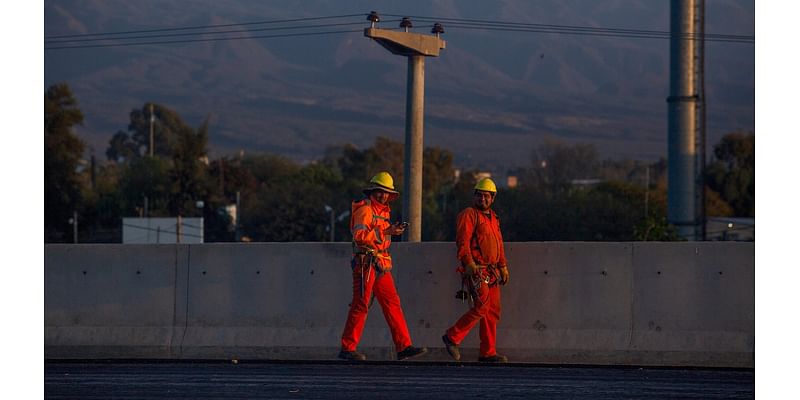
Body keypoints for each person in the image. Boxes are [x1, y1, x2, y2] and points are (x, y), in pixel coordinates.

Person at [338, 171, 428, 361]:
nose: (383, 195)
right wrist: (387, 231)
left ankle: (403, 347)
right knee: (361, 304)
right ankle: (347, 348)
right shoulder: (365, 210)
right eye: (380, 191)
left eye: (386, 192)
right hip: (366, 264)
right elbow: (359, 237)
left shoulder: (383, 212)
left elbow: (376, 236)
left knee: (392, 304)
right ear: (372, 191)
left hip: (379, 264)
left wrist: (388, 231)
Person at [442, 177, 510, 363]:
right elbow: (462, 242)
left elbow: (499, 244)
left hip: (492, 271)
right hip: (477, 270)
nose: (483, 199)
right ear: (475, 197)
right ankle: (452, 337)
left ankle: (487, 352)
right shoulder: (469, 215)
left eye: (486, 196)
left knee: (492, 310)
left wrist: (502, 266)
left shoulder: (494, 218)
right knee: (482, 307)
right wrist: (469, 264)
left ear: (493, 198)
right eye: (480, 196)